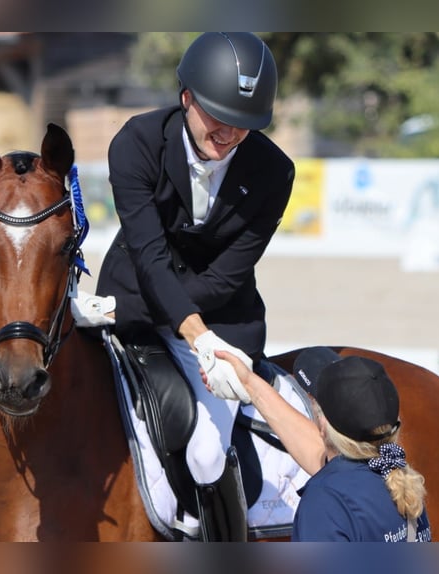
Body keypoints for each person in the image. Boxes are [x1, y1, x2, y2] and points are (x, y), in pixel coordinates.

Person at [71, 32, 294, 541]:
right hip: (135, 302)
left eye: (246, 123)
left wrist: (198, 335)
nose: (231, 131)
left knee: (208, 451)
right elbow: (149, 257)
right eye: (218, 114)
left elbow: (228, 274)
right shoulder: (137, 143)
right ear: (187, 97)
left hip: (220, 318)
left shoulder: (274, 171)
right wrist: (177, 325)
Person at [214, 346, 432, 542]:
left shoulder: (326, 500)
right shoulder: (401, 481)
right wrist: (249, 382)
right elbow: (323, 458)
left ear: (322, 423)